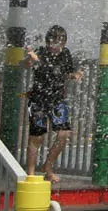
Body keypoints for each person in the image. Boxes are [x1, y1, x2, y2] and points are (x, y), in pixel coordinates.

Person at [25, 25, 83, 182]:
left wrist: (75, 75)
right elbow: (26, 64)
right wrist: (30, 60)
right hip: (38, 100)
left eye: (61, 43)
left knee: (64, 134)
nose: (57, 46)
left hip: (57, 99)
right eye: (54, 43)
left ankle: (47, 167)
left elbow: (67, 73)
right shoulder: (40, 53)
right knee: (37, 138)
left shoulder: (65, 54)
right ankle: (30, 174)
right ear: (48, 42)